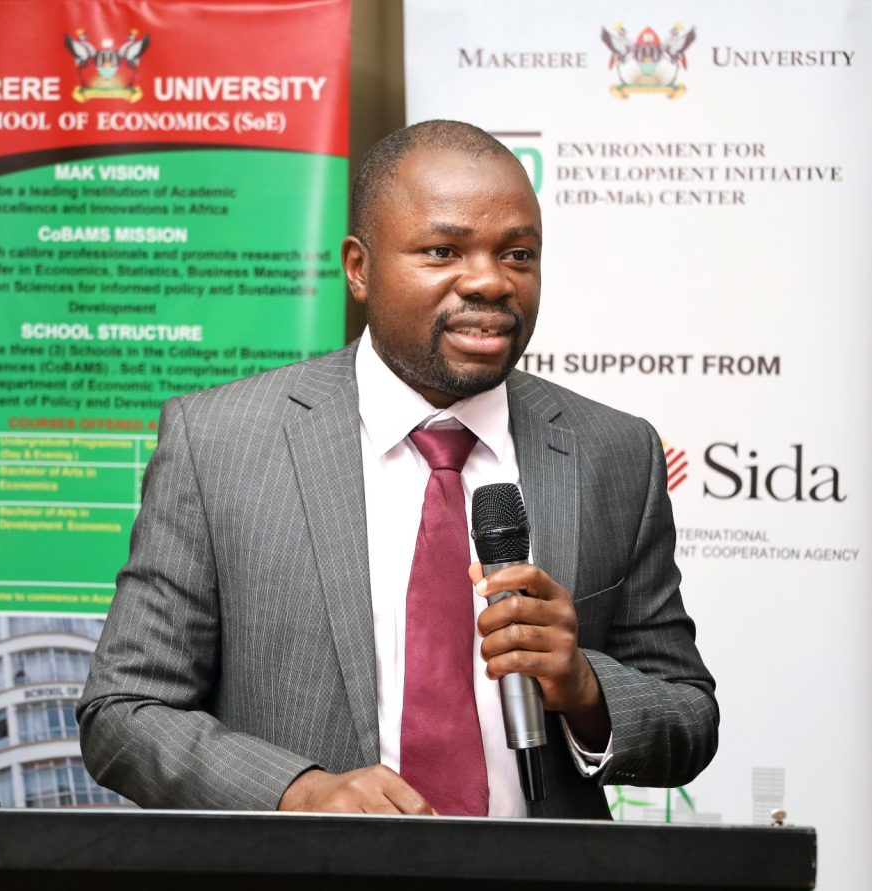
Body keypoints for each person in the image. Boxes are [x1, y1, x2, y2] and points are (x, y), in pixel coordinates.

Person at [77, 120, 718, 819]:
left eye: (519, 254)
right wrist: (300, 790)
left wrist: (585, 687)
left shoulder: (613, 453)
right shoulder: (221, 443)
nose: (489, 281)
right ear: (359, 267)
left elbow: (688, 715)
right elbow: (124, 713)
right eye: (443, 250)